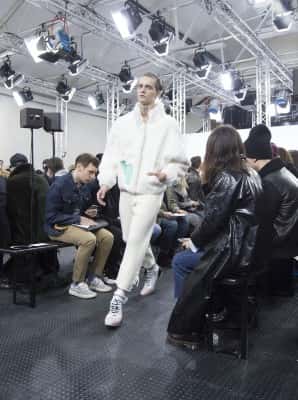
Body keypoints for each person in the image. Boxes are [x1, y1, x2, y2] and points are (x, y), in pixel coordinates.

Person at [97, 72, 189, 327]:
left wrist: (166, 174)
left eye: (148, 87)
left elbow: (180, 163)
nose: (142, 90)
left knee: (136, 240)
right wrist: (105, 183)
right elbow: (111, 157)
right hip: (126, 192)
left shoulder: (168, 125)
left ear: (157, 92)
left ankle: (119, 296)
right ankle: (152, 267)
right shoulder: (123, 123)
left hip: (151, 191)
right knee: (130, 238)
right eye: (139, 86)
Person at [167, 125, 262, 347]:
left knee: (180, 261)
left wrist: (194, 242)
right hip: (248, 247)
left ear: (215, 150)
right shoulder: (252, 173)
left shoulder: (228, 178)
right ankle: (217, 309)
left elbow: (213, 220)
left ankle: (187, 325)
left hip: (231, 250)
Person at [45, 153, 114, 299]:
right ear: (79, 167)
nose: (93, 176)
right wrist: (78, 218)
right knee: (89, 239)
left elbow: (80, 209)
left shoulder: (84, 186)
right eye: (90, 172)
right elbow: (50, 217)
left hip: (76, 224)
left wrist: (89, 212)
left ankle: (94, 277)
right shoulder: (59, 185)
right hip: (57, 227)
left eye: (95, 173)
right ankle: (77, 283)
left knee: (108, 237)